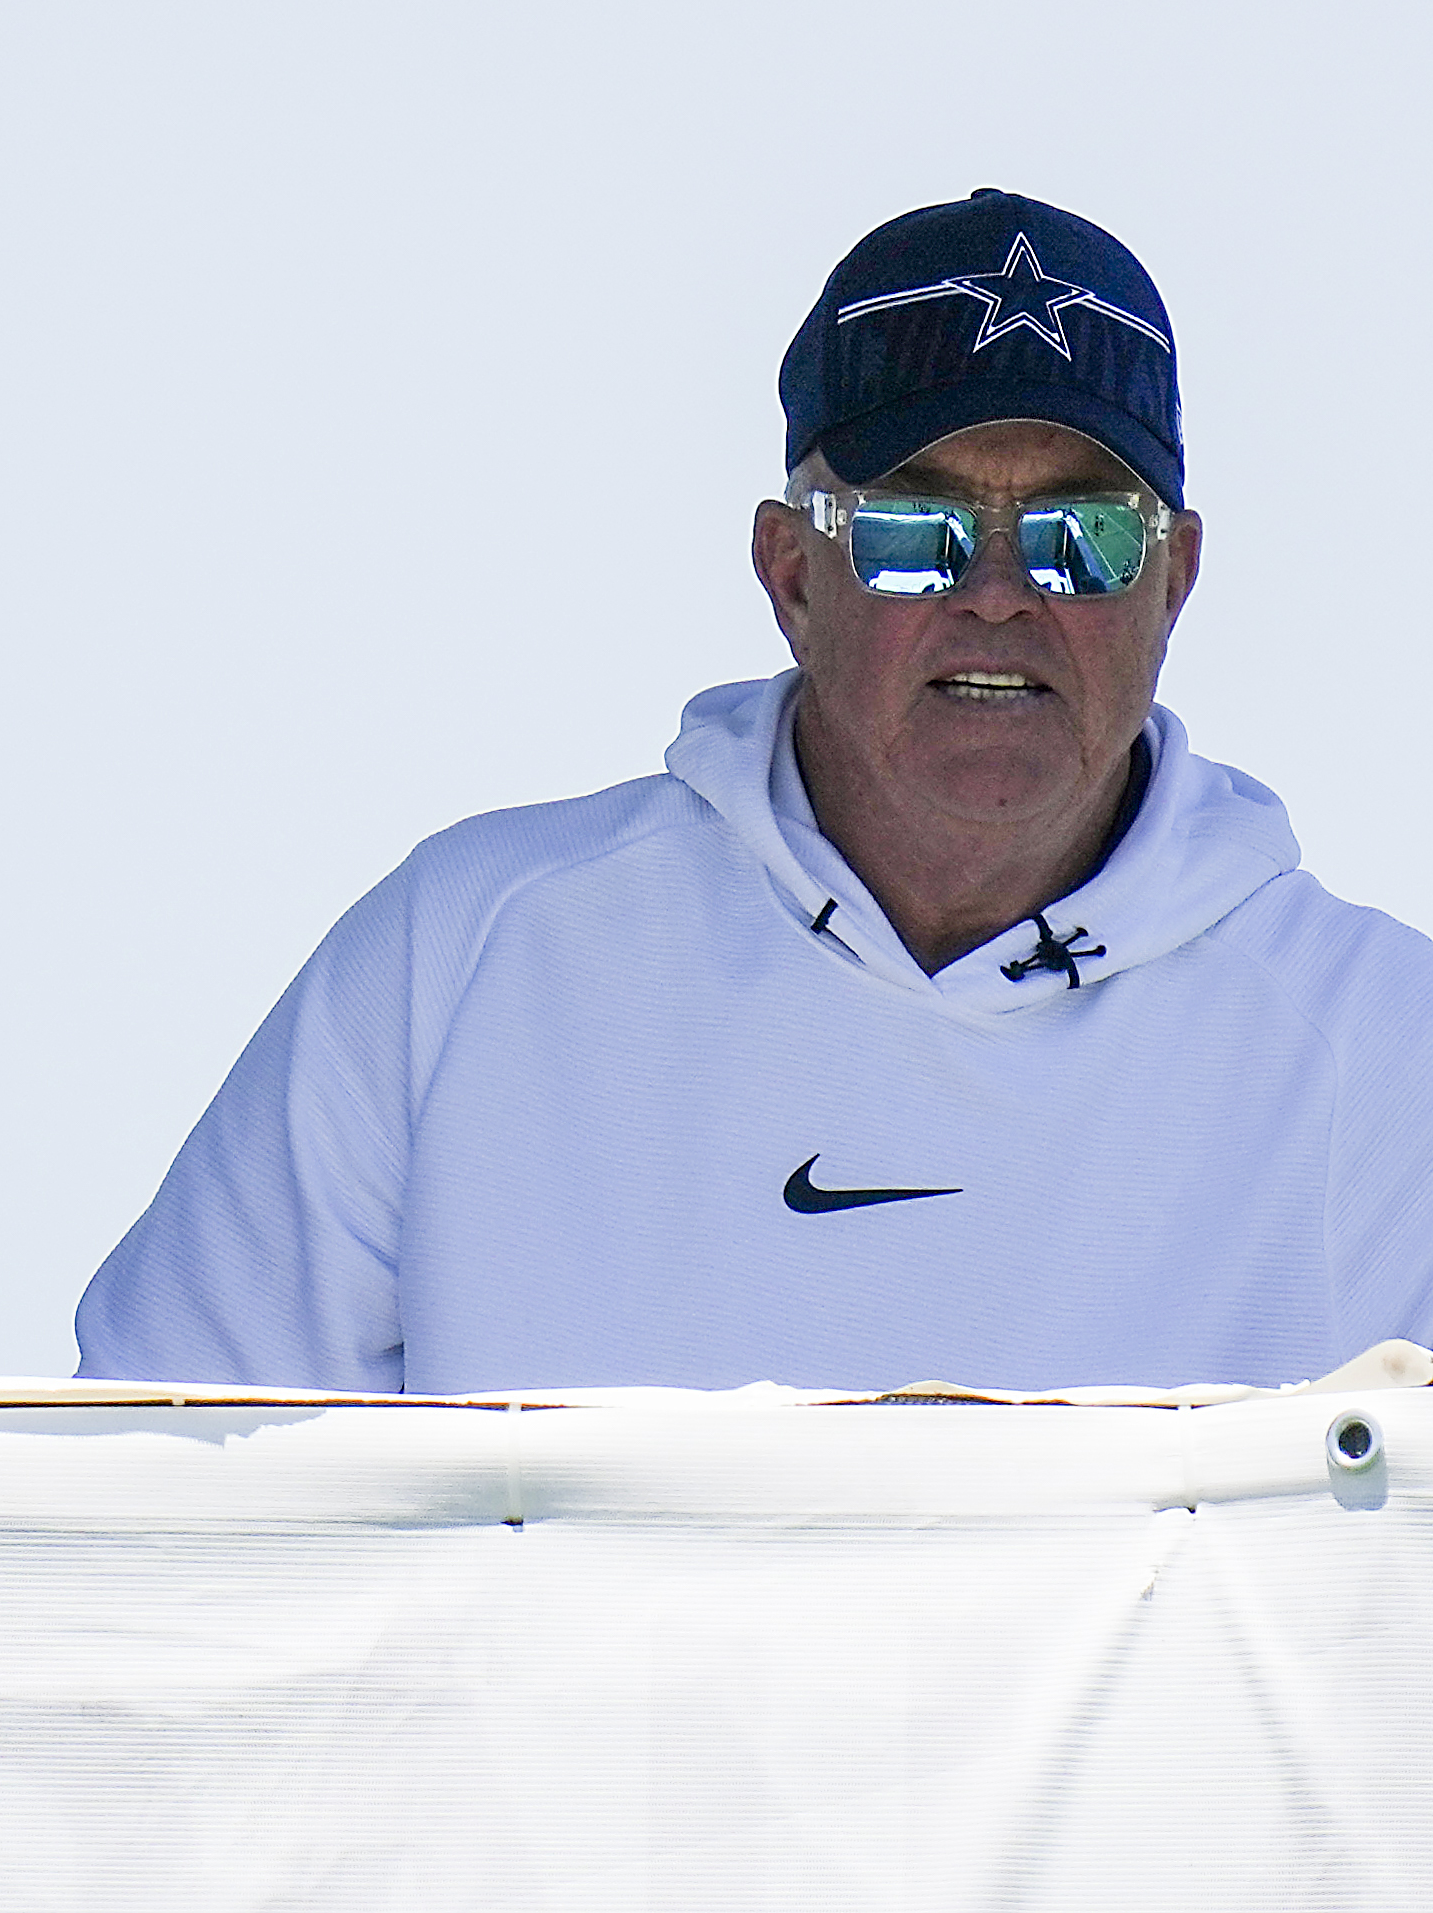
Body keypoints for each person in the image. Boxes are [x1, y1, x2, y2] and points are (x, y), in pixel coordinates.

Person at [77, 189, 1433, 1395]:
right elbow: (149, 1499)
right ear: (789, 574)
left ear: (1172, 579)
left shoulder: (1385, 1055)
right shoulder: (466, 958)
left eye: (1082, 537)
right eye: (915, 531)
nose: (999, 597)